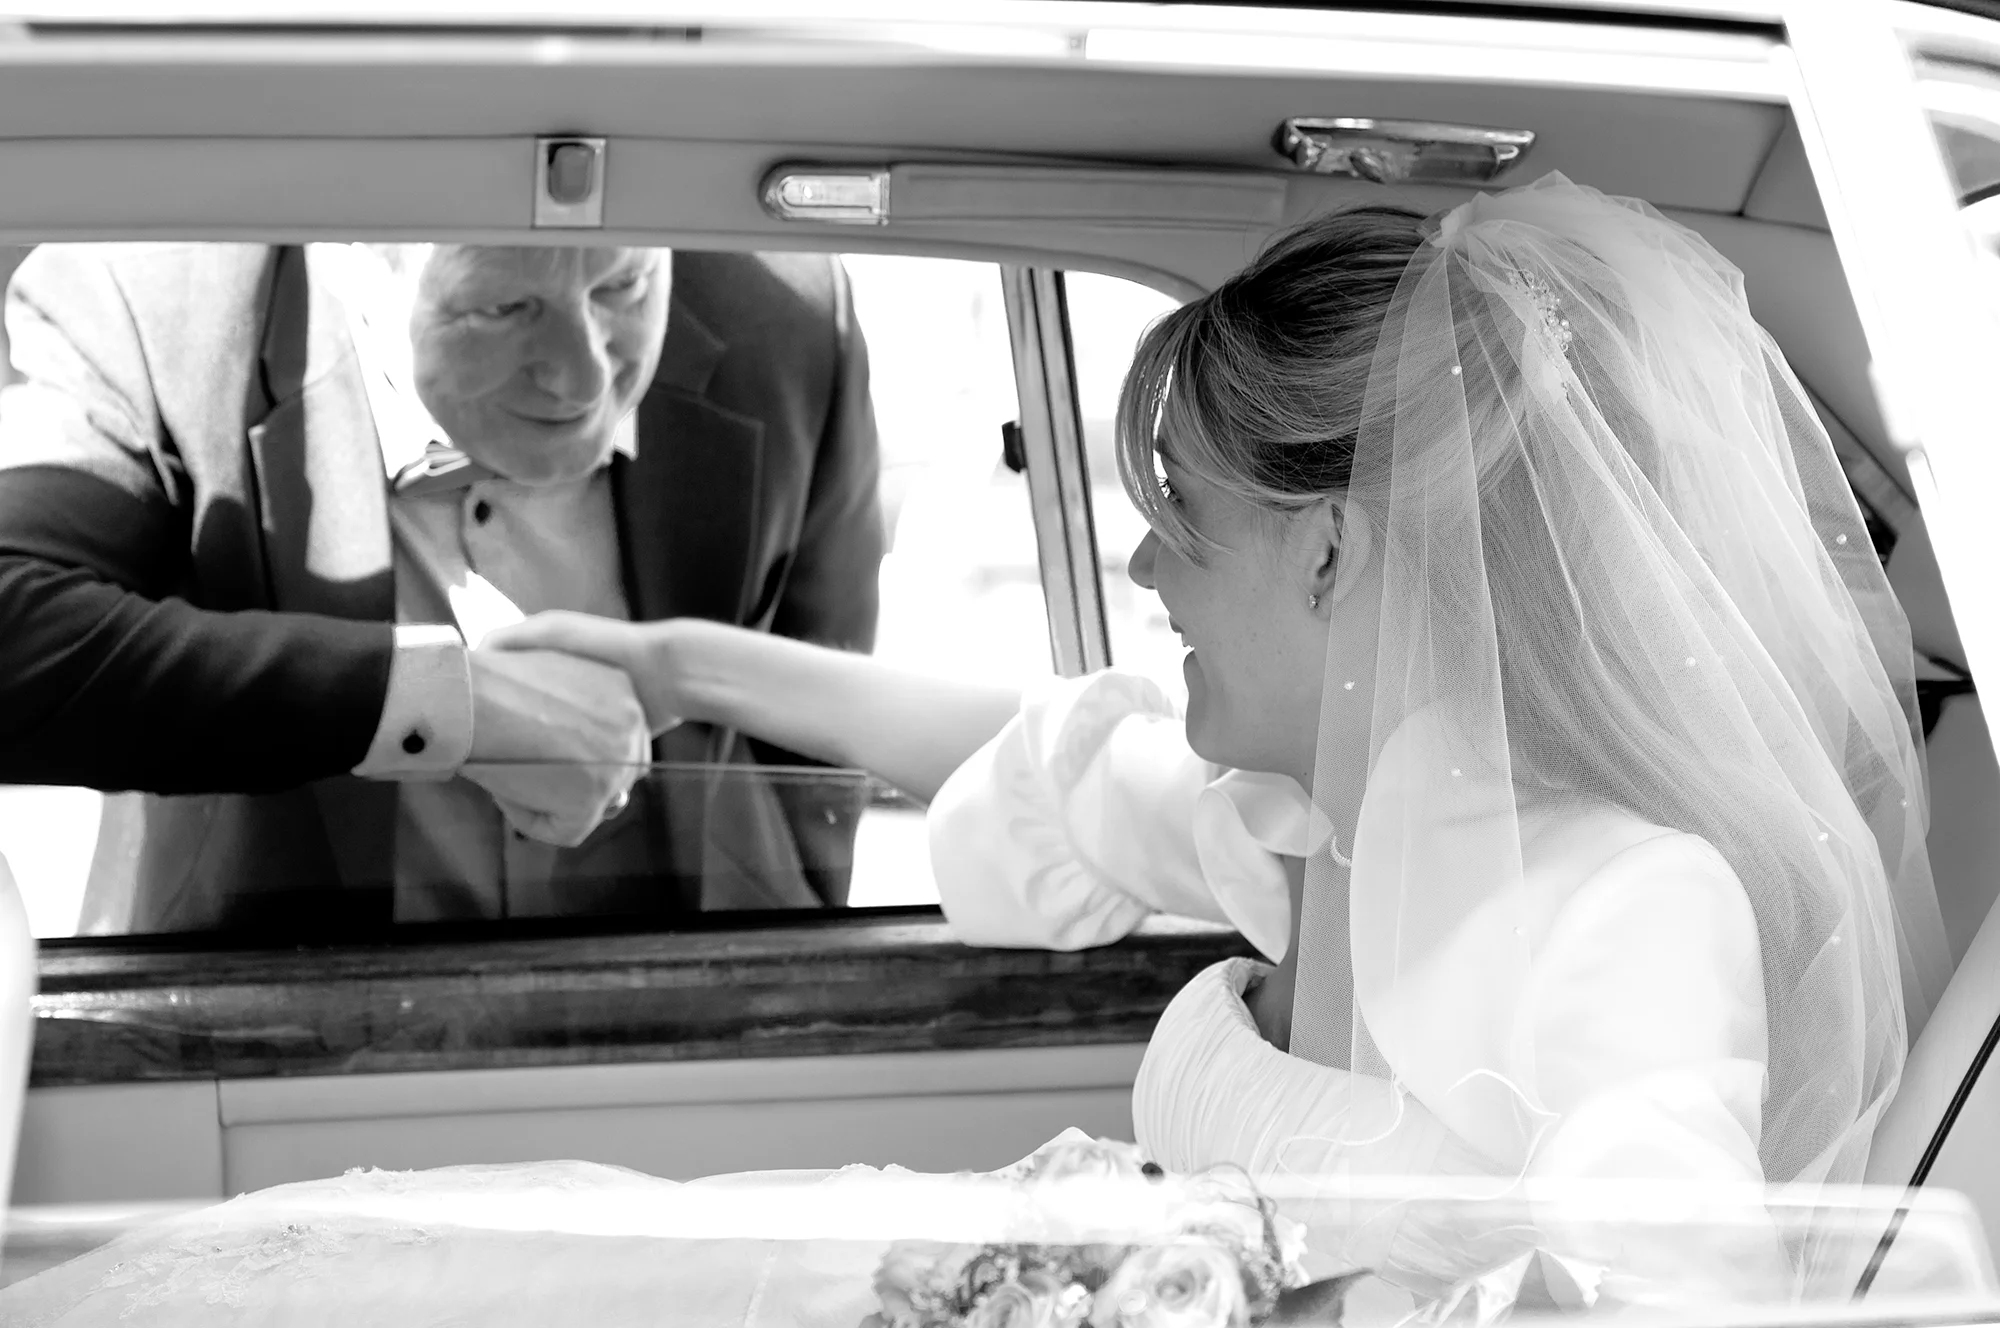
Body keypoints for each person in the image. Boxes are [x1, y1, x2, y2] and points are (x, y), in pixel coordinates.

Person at [0, 175, 1956, 1321]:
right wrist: (688, 655)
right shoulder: (1280, 811)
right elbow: (1028, 755)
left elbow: (1679, 1283)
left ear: (1340, 551)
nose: (1131, 562)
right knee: (344, 1257)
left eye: (1171, 518)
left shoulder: (1628, 906)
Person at [0, 241, 883, 932]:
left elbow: (826, 706)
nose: (582, 380)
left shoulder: (792, 315)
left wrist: (796, 949)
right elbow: (16, 640)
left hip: (710, 1045)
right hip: (290, 1054)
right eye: (505, 307)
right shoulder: (145, 305)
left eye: (623, 289)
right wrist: (437, 706)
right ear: (359, 266)